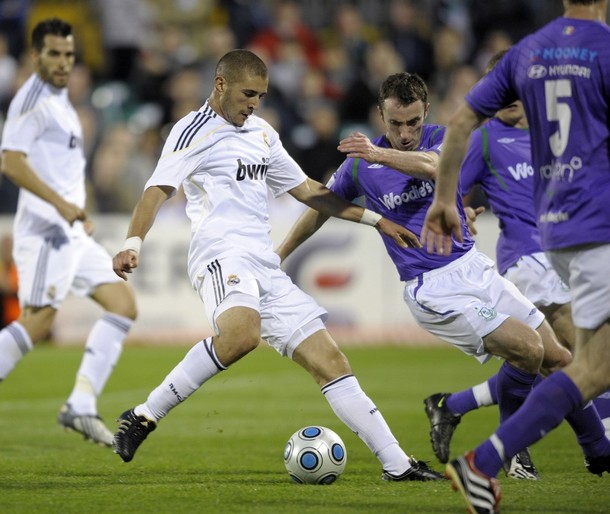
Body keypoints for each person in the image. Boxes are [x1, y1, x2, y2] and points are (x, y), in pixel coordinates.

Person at [110, 49, 443, 482]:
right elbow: (157, 188)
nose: (254, 103)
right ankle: (143, 415)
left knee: (331, 361)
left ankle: (397, 465)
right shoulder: (192, 130)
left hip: (264, 263)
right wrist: (132, 242)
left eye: (261, 96)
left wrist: (376, 220)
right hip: (220, 254)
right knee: (241, 336)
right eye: (248, 94)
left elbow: (308, 191)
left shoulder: (262, 133)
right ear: (220, 84)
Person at [277, 69, 610, 488]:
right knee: (528, 349)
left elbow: (435, 167)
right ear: (380, 114)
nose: (404, 134)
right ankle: (511, 447)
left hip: (474, 267)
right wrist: (280, 253)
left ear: (427, 113)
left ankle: (598, 451)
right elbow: (321, 206)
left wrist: (381, 155)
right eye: (395, 123)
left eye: (413, 122)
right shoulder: (358, 168)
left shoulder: (442, 138)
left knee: (559, 358)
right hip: (433, 287)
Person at [421, 2, 610, 512]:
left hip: (561, 236)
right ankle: (492, 459)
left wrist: (444, 200)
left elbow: (459, 121)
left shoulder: (529, 53)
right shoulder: (603, 49)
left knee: (578, 363)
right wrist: (453, 198)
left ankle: (484, 444)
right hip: (580, 234)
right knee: (575, 361)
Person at [0, 18, 137, 447]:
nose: (63, 63)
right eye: (54, 54)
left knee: (122, 305)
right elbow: (11, 162)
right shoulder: (33, 100)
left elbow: (57, 167)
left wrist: (77, 211)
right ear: (35, 55)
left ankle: (80, 403)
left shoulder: (60, 100)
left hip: (71, 232)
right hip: (45, 232)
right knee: (38, 322)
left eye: (69, 55)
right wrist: (61, 205)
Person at [0, 234, 20, 329]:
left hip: (15, 319)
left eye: (9, 247)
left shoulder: (19, 270)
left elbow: (10, 288)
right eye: (5, 247)